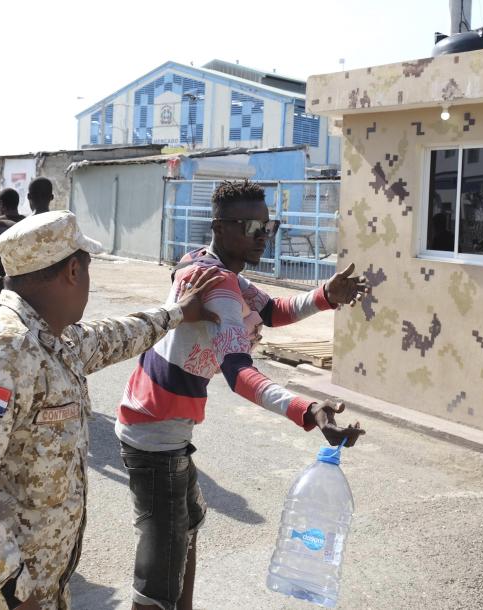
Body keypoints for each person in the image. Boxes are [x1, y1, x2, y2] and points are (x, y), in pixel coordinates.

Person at [0, 210, 223, 610]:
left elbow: (114, 335)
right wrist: (13, 589)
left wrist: (179, 312)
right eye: (89, 271)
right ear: (74, 271)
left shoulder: (54, 339)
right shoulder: (0, 352)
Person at [115, 180, 367, 610]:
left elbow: (271, 310)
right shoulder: (217, 284)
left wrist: (326, 296)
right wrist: (306, 409)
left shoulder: (211, 266)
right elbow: (239, 372)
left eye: (268, 226)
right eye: (252, 226)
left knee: (187, 529)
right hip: (154, 435)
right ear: (219, 226)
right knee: (160, 576)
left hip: (160, 427)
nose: (263, 236)